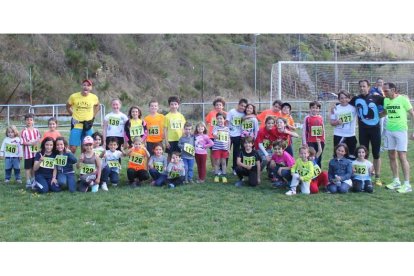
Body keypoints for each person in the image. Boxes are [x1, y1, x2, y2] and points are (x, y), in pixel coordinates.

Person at [349, 79, 384, 186]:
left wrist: (381, 115)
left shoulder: (376, 97)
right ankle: (365, 176)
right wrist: (332, 107)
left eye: (364, 86)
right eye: (360, 86)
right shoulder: (356, 99)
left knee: (376, 154)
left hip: (375, 130)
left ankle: (377, 177)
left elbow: (389, 103)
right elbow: (344, 103)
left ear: (368, 87)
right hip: (363, 130)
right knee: (363, 154)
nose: (362, 88)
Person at [382, 82, 414, 193]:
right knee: (391, 155)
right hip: (389, 131)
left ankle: (407, 184)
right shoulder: (386, 100)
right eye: (383, 90)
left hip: (401, 131)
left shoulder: (403, 99)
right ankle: (396, 181)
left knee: (402, 156)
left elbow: (412, 114)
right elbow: (385, 112)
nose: (384, 92)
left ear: (393, 89)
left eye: (386, 90)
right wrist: (375, 116)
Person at [66, 79, 100, 154]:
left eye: (88, 85)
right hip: (76, 125)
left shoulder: (94, 97)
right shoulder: (74, 96)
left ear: (91, 88)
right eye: (84, 85)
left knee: (87, 147)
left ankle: (84, 164)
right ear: (81, 86)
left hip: (88, 125)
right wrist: (73, 114)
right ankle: (70, 164)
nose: (86, 87)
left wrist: (93, 117)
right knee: (73, 148)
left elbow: (97, 106)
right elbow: (68, 106)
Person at [330, 89, 358, 159]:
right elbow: (331, 123)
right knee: (338, 155)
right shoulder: (335, 108)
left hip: (351, 135)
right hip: (339, 135)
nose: (344, 100)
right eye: (341, 98)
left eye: (346, 97)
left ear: (349, 98)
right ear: (339, 99)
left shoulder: (354, 108)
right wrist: (336, 122)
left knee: (351, 156)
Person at [226, 98, 247, 174]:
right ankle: (223, 168)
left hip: (238, 136)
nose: (243, 107)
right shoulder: (232, 111)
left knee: (236, 153)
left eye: (244, 106)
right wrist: (227, 133)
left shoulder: (245, 114)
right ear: (238, 105)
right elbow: (227, 122)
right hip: (229, 135)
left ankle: (235, 168)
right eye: (241, 105)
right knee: (226, 151)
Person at [20, 113, 41, 189]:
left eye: (31, 120)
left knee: (34, 167)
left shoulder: (36, 130)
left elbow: (39, 138)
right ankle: (28, 181)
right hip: (27, 153)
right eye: (27, 120)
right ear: (25, 121)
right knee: (27, 167)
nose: (29, 121)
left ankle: (33, 179)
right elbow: (22, 142)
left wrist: (36, 141)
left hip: (35, 153)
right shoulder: (23, 131)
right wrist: (30, 143)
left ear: (33, 121)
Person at [205, 96, 227, 169]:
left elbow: (227, 124)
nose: (218, 106)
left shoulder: (225, 114)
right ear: (214, 106)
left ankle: (221, 166)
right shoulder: (211, 113)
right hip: (212, 136)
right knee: (213, 152)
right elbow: (207, 123)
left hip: (222, 136)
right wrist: (206, 134)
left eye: (220, 105)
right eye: (217, 105)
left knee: (221, 152)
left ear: (223, 106)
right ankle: (214, 167)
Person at [302, 101, 325, 167]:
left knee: (319, 157)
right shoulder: (307, 118)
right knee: (310, 156)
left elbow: (323, 129)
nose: (315, 109)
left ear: (319, 109)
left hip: (319, 141)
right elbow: (304, 130)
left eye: (317, 108)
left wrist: (323, 140)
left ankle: (318, 171)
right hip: (310, 141)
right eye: (313, 107)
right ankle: (310, 170)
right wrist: (304, 142)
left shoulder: (320, 117)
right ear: (310, 108)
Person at [164, 95, 186, 161]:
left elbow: (183, 128)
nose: (174, 106)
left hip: (179, 139)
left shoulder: (181, 116)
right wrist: (166, 141)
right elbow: (165, 129)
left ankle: (178, 169)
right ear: (169, 105)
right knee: (170, 155)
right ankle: (168, 169)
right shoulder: (167, 116)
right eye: (172, 104)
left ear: (178, 105)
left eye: (175, 104)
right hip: (170, 140)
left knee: (179, 154)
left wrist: (184, 138)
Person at [212, 112, 230, 183]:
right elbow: (214, 133)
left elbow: (229, 139)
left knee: (223, 162)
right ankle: (216, 175)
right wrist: (215, 135)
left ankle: (224, 175)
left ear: (224, 120)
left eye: (221, 118)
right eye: (218, 119)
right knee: (217, 162)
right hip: (217, 148)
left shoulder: (227, 129)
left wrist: (228, 148)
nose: (219, 120)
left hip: (224, 148)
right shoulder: (215, 127)